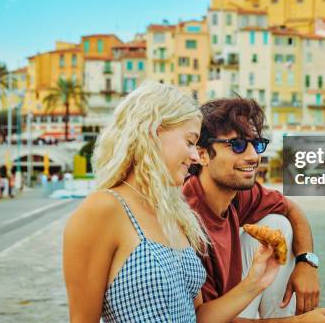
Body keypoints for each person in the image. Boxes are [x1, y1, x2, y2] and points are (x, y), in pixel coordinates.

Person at [63, 82, 284, 323]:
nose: (194, 155)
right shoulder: (104, 209)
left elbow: (198, 316)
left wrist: (255, 282)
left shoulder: (177, 215)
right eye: (190, 142)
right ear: (153, 132)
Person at [183, 97, 325, 322]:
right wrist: (297, 322)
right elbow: (201, 319)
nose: (253, 157)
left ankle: (286, 313)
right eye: (237, 145)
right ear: (202, 155)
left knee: (278, 224)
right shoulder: (187, 218)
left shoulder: (236, 193)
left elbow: (291, 208)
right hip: (212, 315)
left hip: (235, 301)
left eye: (256, 144)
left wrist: (307, 262)